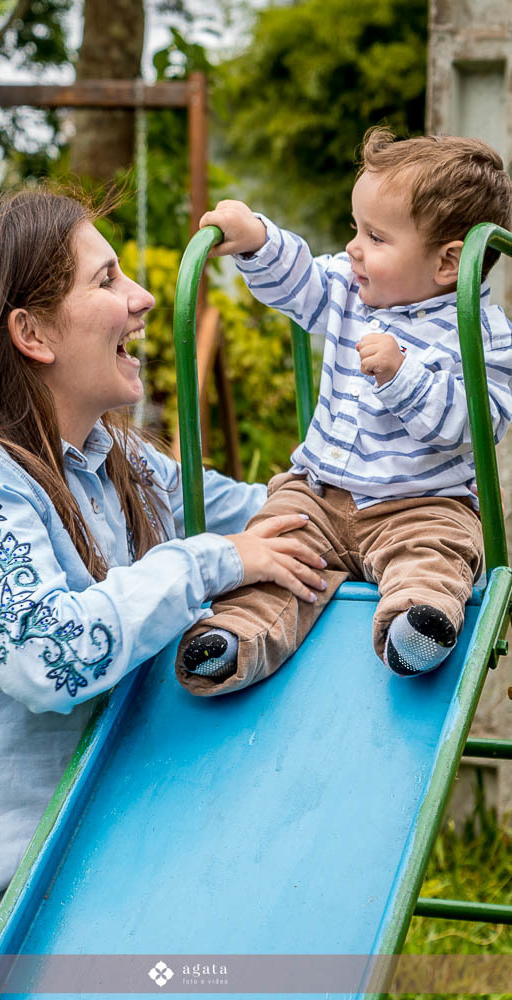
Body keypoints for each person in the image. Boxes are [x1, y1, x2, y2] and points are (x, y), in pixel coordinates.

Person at [0, 189, 329, 995]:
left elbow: (274, 521)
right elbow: (50, 656)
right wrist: (210, 562)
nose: (143, 299)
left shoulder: (121, 466)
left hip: (74, 911)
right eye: (106, 280)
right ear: (31, 334)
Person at [177, 128, 512, 696]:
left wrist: (403, 375)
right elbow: (301, 280)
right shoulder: (350, 289)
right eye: (356, 228)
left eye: (375, 237)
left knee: (439, 551)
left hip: (420, 504)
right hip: (320, 494)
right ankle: (236, 635)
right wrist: (257, 239)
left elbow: (473, 426)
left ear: (449, 262)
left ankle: (417, 625)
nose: (354, 248)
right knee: (278, 544)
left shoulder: (483, 335)